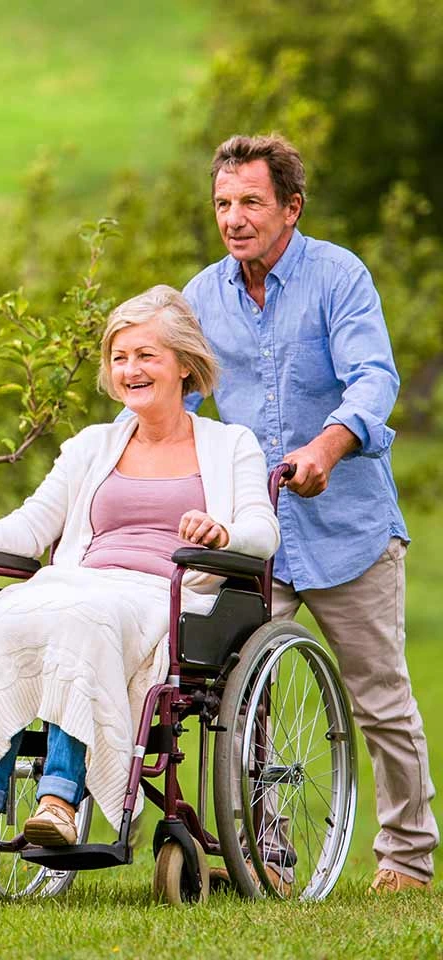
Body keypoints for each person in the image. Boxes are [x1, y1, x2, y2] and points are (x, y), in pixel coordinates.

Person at [0, 286, 279, 857]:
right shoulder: (92, 445)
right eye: (120, 357)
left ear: (184, 364)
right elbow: (34, 524)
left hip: (165, 594)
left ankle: (58, 800)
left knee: (86, 622)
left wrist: (223, 534)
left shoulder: (231, 445)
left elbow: (263, 529)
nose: (130, 369)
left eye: (147, 355)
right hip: (78, 583)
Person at [183, 134, 437, 894]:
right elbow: (180, 401)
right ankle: (269, 852)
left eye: (252, 202)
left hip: (348, 532)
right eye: (225, 203)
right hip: (254, 537)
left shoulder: (339, 277)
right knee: (241, 693)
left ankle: (407, 858)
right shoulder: (202, 296)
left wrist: (327, 447)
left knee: (380, 700)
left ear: (291, 208)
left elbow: (373, 378)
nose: (235, 218)